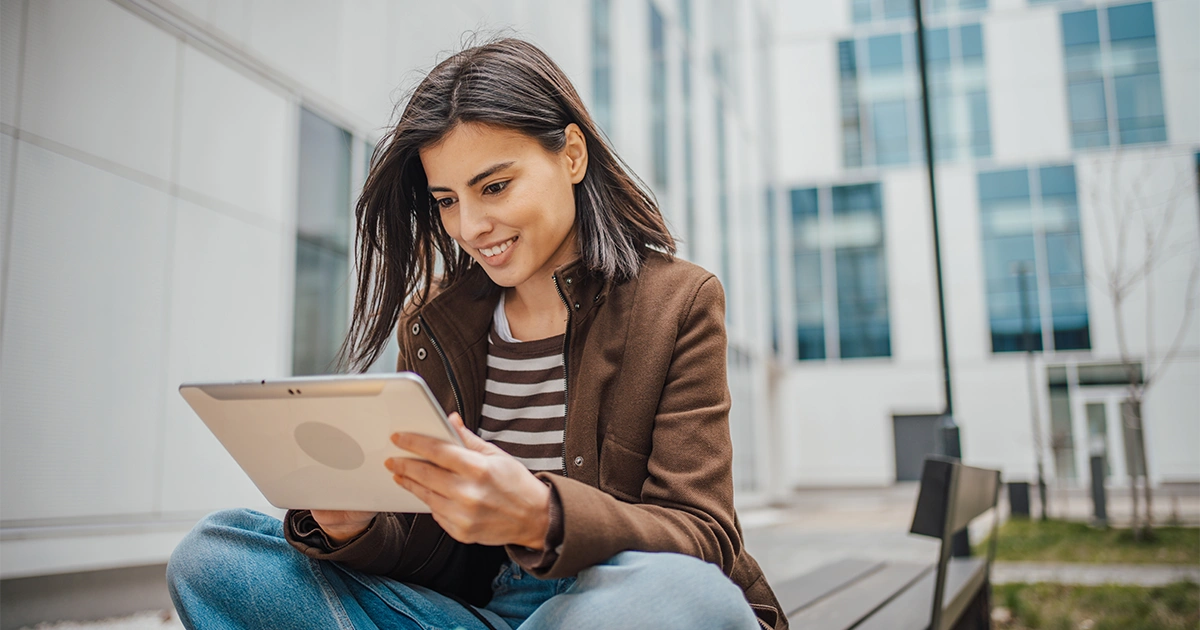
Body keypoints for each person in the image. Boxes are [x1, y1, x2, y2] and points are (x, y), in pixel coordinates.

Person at [167, 37, 786, 630]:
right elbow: (443, 559)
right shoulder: (436, 321)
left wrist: (541, 516)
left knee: (690, 598)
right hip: (481, 611)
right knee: (215, 555)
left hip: (614, 600)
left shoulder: (677, 301)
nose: (471, 225)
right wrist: (356, 528)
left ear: (571, 154)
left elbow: (701, 534)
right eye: (446, 200)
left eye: (494, 186)